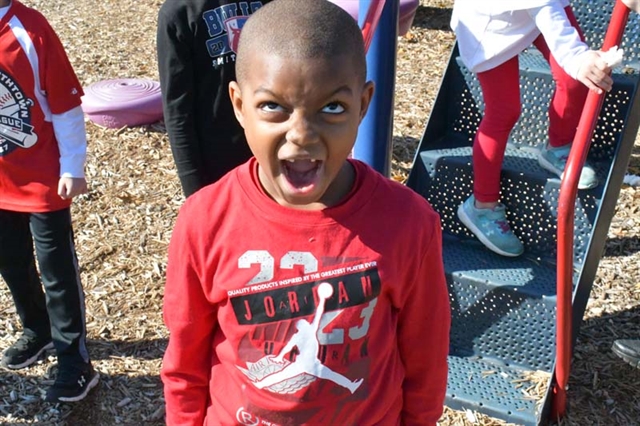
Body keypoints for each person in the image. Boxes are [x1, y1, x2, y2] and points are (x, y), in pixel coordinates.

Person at [161, 0, 451, 424]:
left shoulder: (409, 222)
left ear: (363, 104)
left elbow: (425, 359)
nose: (301, 135)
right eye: (272, 107)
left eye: (331, 108)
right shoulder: (204, 220)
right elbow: (184, 367)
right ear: (239, 106)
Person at [451, 0, 614, 257]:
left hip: (537, 9)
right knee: (504, 111)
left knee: (574, 80)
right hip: (492, 23)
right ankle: (482, 205)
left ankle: (558, 145)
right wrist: (576, 57)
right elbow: (546, 12)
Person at [0, 0, 98, 403]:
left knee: (57, 271)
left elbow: (65, 104)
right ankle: (37, 329)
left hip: (42, 177)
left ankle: (75, 361)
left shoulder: (31, 30)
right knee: (10, 259)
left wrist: (73, 166)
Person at [157, 0, 272, 198]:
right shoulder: (178, 13)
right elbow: (177, 111)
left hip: (276, 151)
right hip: (219, 163)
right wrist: (194, 190)